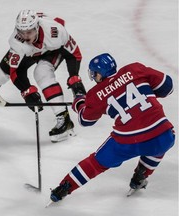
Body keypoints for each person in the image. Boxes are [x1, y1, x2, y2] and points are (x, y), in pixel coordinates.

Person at [49, 53, 175, 202]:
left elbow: (85, 120)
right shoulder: (135, 69)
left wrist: (79, 102)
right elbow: (168, 87)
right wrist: (146, 91)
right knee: (160, 141)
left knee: (95, 163)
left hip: (128, 141)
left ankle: (63, 188)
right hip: (164, 133)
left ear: (98, 74)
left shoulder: (96, 94)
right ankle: (141, 174)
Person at [0, 9, 86, 143]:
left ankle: (64, 119)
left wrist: (74, 77)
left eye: (29, 32)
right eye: (21, 32)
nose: (25, 36)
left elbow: (74, 54)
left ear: (37, 27)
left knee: (42, 72)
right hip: (29, 53)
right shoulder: (17, 42)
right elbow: (15, 72)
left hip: (51, 50)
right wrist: (27, 91)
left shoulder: (55, 32)